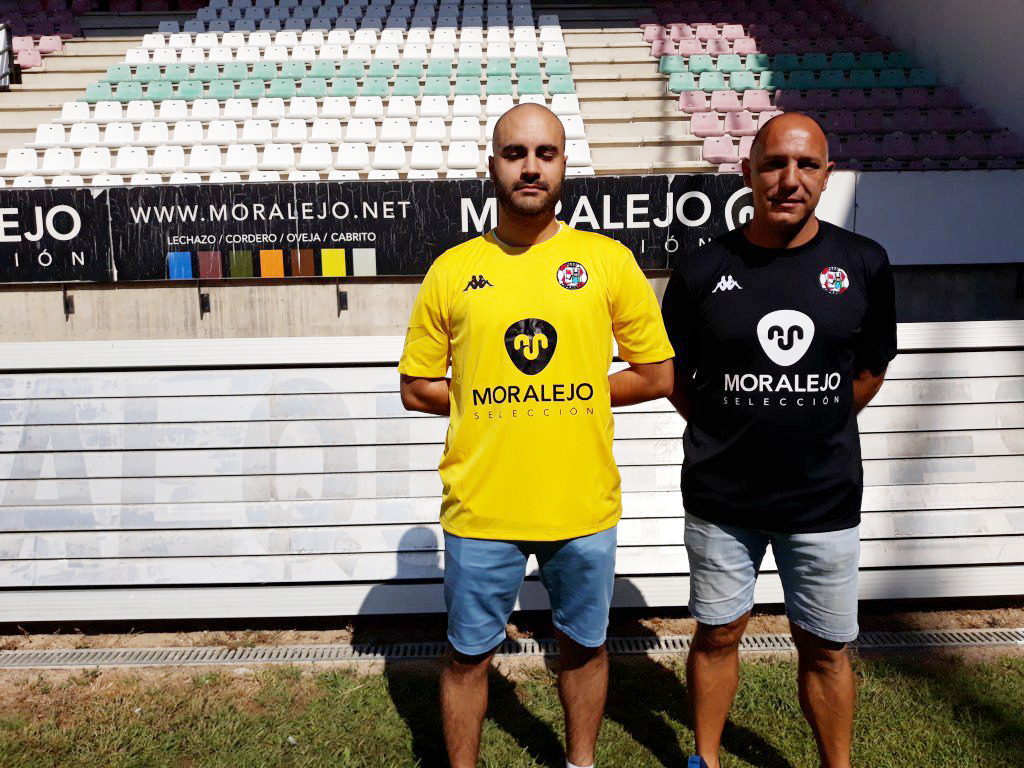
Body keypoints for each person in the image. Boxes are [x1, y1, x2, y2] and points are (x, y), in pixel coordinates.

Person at [398, 103, 675, 768]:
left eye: (544, 154)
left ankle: (580, 763)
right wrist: (487, 394)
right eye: (515, 153)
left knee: (583, 647)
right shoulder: (452, 269)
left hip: (581, 507)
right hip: (482, 509)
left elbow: (658, 374)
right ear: (492, 165)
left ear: (563, 165)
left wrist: (578, 389)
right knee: (467, 656)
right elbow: (416, 387)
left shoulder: (605, 262)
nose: (530, 167)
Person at [661, 112, 897, 768]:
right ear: (748, 173)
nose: (789, 179)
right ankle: (704, 760)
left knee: (826, 647)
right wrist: (724, 426)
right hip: (722, 500)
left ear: (827, 175)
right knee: (716, 635)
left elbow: (871, 370)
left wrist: (813, 420)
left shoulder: (864, 263)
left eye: (806, 165)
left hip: (823, 499)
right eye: (773, 164)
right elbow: (673, 372)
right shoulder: (703, 268)